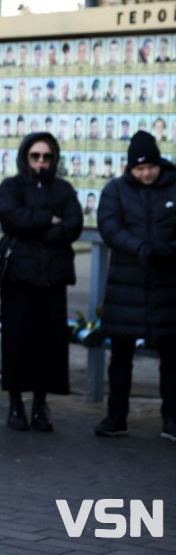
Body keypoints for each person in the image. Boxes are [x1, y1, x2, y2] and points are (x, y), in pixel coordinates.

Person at [0, 133, 81, 432]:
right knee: (17, 342)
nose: (41, 162)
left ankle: (40, 405)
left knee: (49, 345)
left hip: (52, 279)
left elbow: (73, 224)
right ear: (25, 157)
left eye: (47, 156)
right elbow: (11, 217)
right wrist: (48, 219)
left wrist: (38, 228)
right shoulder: (11, 186)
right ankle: (16, 404)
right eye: (35, 156)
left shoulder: (64, 189)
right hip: (18, 278)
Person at [94, 131, 176, 441]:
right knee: (120, 357)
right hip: (126, 286)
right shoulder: (115, 190)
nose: (146, 173)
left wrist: (169, 249)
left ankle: (171, 419)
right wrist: (140, 248)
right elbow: (110, 226)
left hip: (168, 286)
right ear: (130, 168)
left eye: (150, 167)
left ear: (159, 163)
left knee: (171, 358)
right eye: (139, 169)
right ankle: (116, 418)